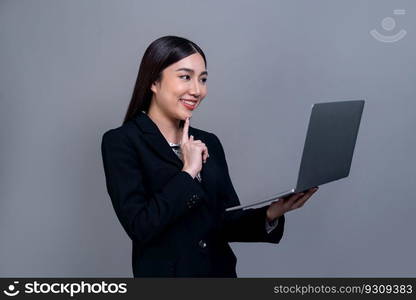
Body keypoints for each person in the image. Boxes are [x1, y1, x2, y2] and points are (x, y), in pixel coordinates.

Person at [101, 35, 318, 277]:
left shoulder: (209, 142)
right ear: (154, 81)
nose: (197, 90)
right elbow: (140, 226)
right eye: (185, 77)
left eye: (203, 79)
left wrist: (272, 213)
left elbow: (225, 221)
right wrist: (189, 171)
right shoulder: (122, 141)